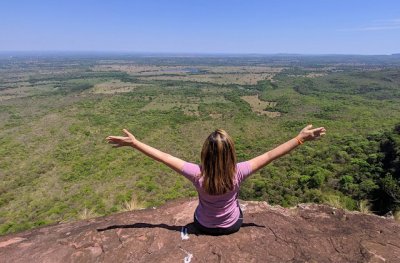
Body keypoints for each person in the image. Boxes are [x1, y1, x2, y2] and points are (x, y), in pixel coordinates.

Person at [106, 124, 326, 235]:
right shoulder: (239, 172)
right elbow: (270, 155)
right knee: (236, 205)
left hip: (203, 225)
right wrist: (299, 139)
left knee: (199, 210)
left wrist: (135, 143)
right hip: (233, 225)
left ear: (205, 154)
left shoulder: (196, 173)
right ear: (231, 153)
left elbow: (164, 157)